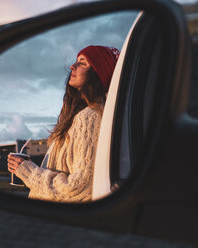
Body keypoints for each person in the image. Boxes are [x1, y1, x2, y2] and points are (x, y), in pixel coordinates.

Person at [7, 45, 120, 202]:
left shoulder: (90, 117)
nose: (72, 66)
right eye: (76, 61)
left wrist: (27, 171)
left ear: (98, 73)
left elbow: (80, 188)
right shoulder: (85, 115)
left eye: (83, 63)